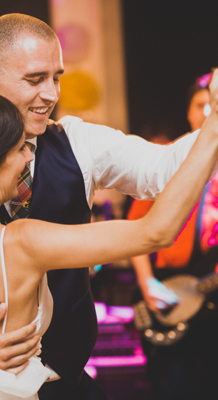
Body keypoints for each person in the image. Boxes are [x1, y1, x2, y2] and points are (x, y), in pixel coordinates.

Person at [0, 13, 214, 400]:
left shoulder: (78, 142)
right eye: (34, 79)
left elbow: (163, 169)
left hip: (69, 384)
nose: (52, 94)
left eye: (56, 77)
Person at [127, 75, 214, 400]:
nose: (208, 113)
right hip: (170, 290)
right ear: (189, 113)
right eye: (200, 106)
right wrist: (148, 282)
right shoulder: (170, 161)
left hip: (211, 289)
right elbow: (136, 231)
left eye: (214, 106)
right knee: (173, 386)